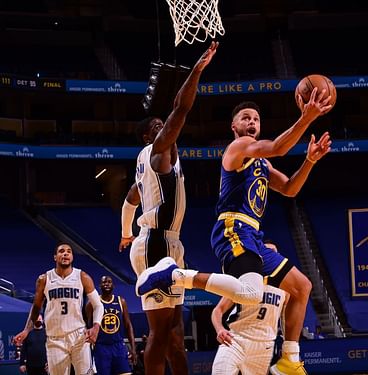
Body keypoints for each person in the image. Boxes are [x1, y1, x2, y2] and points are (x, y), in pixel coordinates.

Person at [134, 92, 332, 375]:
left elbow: (289, 188)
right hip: (233, 227)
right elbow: (277, 146)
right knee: (251, 294)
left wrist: (310, 161)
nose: (251, 122)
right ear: (234, 127)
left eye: (256, 119)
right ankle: (174, 275)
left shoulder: (263, 164)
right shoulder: (238, 148)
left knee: (301, 288)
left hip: (255, 236)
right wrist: (307, 117)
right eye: (245, 118)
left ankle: (289, 358)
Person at [118, 41, 218, 375]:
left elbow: (131, 197)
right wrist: (197, 71)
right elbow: (181, 109)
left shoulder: (152, 166)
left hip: (168, 242)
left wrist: (124, 233)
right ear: (150, 136)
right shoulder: (157, 151)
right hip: (156, 243)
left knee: (176, 333)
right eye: (158, 126)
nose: (165, 127)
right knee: (161, 332)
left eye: (164, 125)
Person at [14, 243, 104, 375]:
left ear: (72, 257)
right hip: (55, 338)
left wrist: (96, 327)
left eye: (69, 251)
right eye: (61, 251)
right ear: (55, 257)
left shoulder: (82, 277)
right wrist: (27, 330)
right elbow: (36, 307)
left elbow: (98, 305)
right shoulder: (44, 279)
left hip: (79, 336)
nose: (66, 253)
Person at [210, 241, 289, 375]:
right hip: (236, 340)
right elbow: (217, 310)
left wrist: (289, 347)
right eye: (267, 252)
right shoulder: (244, 281)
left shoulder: (286, 288)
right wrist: (220, 329)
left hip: (264, 346)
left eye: (274, 253)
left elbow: (286, 320)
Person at [85, 275, 136, 375]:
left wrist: (133, 349)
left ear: (113, 285)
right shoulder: (92, 304)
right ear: (100, 286)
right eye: (104, 282)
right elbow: (87, 327)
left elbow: (128, 325)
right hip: (101, 347)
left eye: (109, 282)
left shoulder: (121, 301)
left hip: (119, 346)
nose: (106, 284)